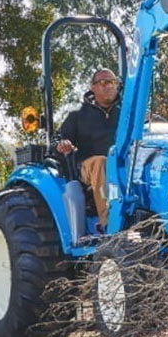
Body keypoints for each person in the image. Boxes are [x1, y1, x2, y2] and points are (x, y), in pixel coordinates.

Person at [56, 68, 121, 229]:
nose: (109, 86)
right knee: (101, 162)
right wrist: (63, 143)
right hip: (88, 167)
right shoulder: (78, 115)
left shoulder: (126, 113)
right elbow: (59, 138)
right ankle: (110, 226)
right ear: (93, 87)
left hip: (122, 163)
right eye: (103, 82)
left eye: (112, 82)